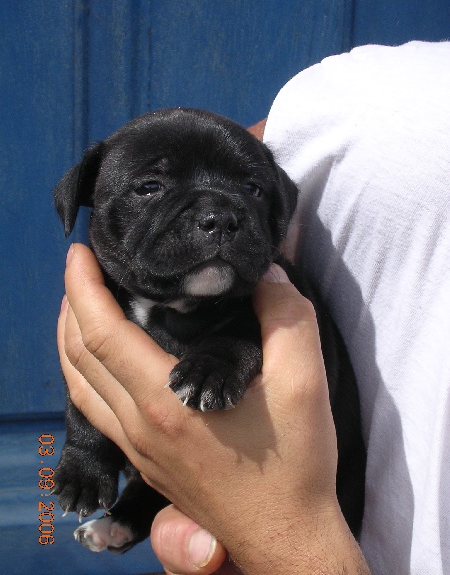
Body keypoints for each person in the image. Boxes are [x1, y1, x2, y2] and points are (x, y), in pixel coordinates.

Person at [57, 40, 450, 574]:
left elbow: (258, 346)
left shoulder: (275, 300)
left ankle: (137, 511)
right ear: (84, 197)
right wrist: (85, 452)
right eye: (150, 187)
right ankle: (133, 509)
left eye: (249, 189)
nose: (218, 216)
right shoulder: (362, 93)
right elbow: (89, 379)